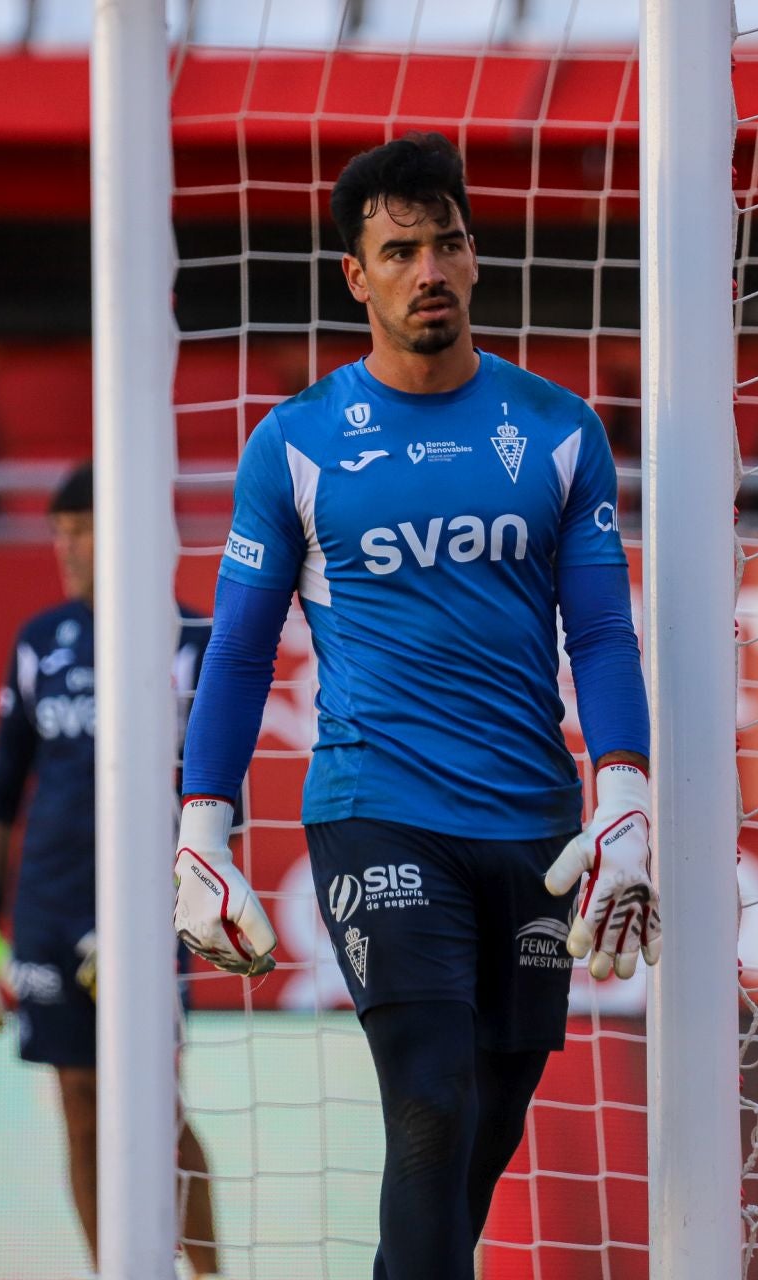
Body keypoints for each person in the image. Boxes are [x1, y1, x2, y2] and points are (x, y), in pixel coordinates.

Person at [173, 132, 661, 1280]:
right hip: (376, 807)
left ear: (475, 256)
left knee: (481, 1128)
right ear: (358, 275)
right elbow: (241, 651)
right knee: (431, 1098)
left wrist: (626, 797)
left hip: (533, 826)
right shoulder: (293, 443)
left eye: (445, 244)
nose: (427, 269)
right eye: (400, 251)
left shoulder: (555, 429)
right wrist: (202, 832)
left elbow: (598, 630)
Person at [0, 463, 224, 1279]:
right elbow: (1, 790)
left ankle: (210, 1272)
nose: (66, 547)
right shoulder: (40, 641)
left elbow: (217, 797)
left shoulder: (190, 640)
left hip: (147, 908)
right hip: (52, 906)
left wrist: (158, 911)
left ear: (132, 528)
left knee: (157, 1106)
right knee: (77, 1103)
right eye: (58, 531)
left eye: (83, 528)